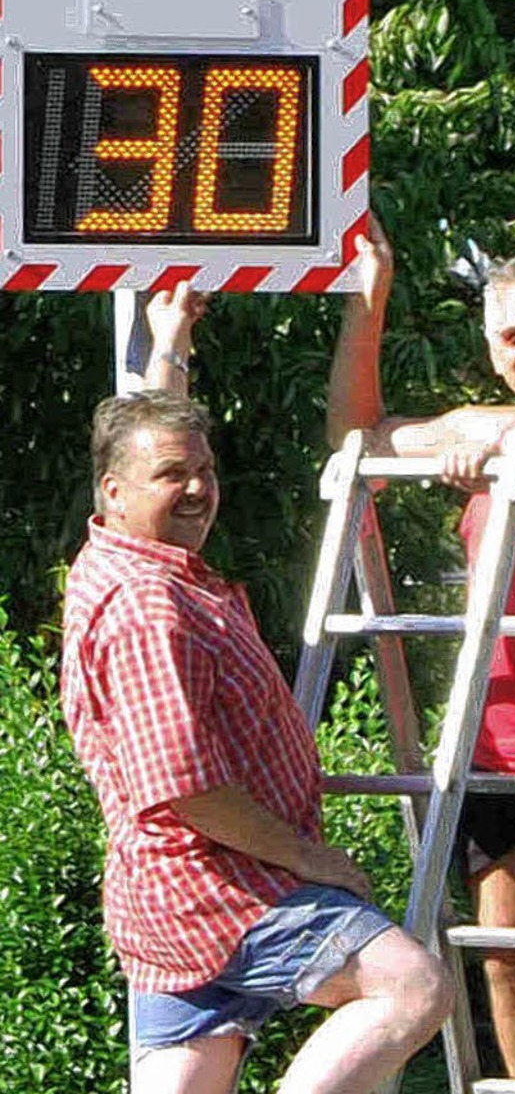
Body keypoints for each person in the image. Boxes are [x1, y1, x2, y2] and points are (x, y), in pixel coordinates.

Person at [61, 283, 452, 1094]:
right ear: (114, 493)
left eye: (206, 470)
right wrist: (314, 859)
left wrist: (169, 345)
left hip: (166, 900)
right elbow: (190, 790)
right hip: (220, 883)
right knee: (411, 985)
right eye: (176, 476)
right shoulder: (145, 605)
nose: (200, 488)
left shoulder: (121, 553)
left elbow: (148, 441)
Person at [327, 220, 515, 1087]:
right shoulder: (486, 424)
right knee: (508, 954)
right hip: (497, 745)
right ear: (494, 349)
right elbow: (357, 438)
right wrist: (371, 297)